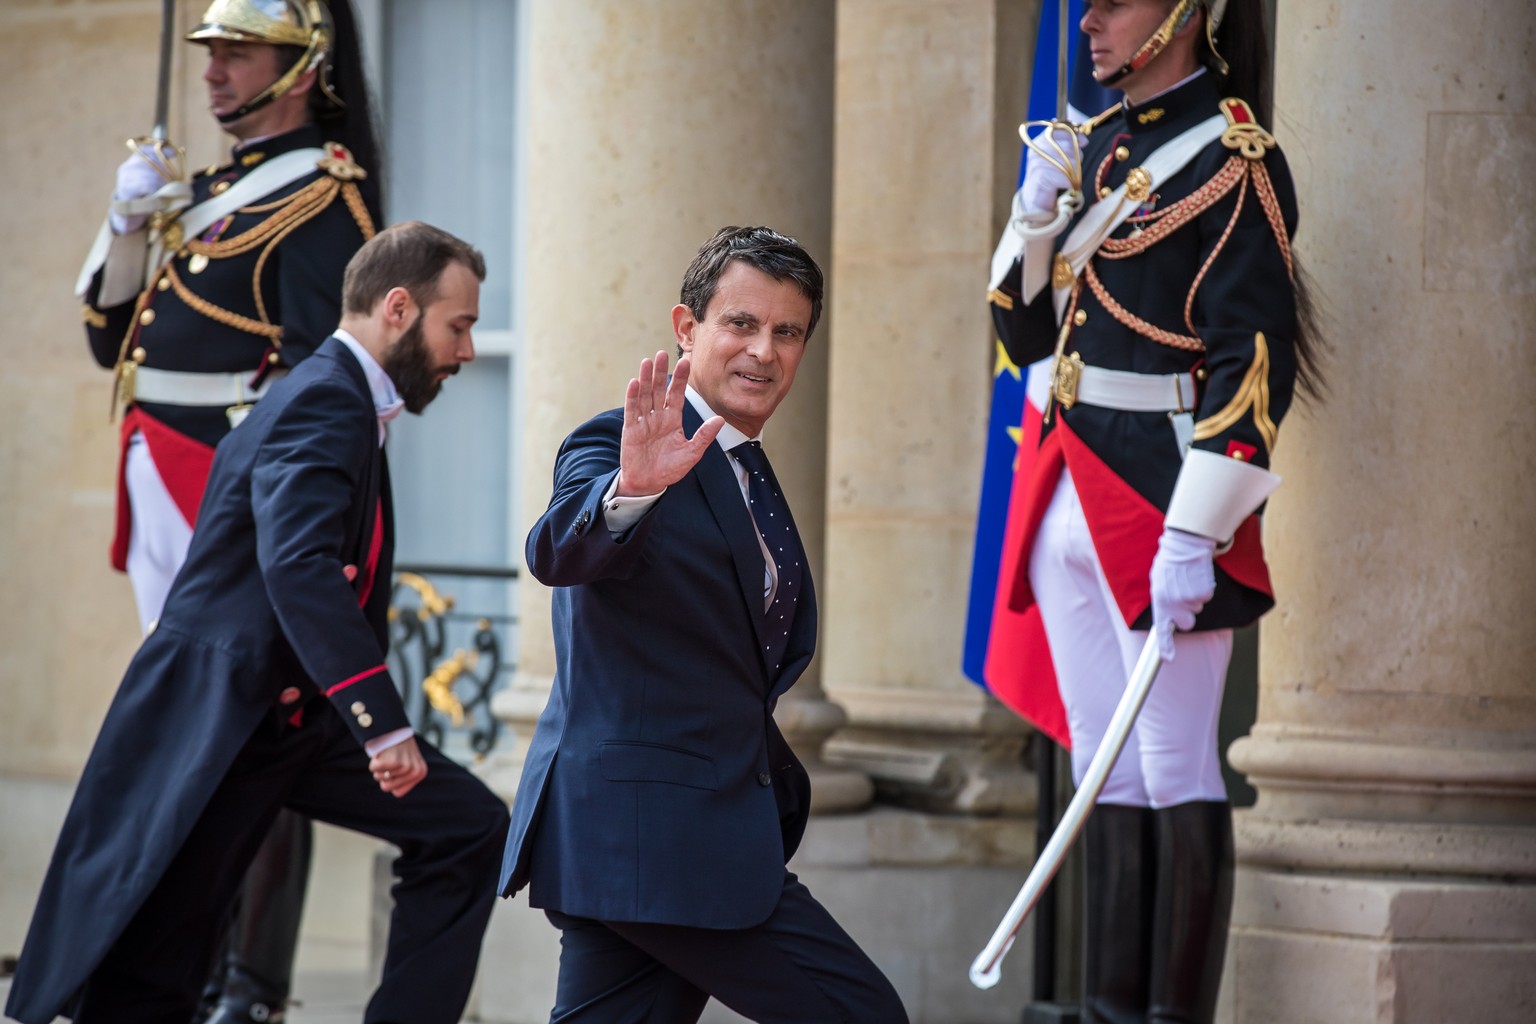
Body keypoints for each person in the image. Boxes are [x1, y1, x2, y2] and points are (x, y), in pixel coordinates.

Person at [6, 221, 510, 1024]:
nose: (468, 350)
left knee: (466, 827)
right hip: (227, 714)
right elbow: (300, 566)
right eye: (461, 324)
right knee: (156, 962)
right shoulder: (323, 399)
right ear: (399, 308)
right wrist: (382, 725)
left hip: (294, 717)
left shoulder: (344, 399)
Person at [986, 1, 1323, 1021]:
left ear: (1185, 13)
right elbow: (1022, 328)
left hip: (1161, 496)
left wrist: (1198, 527)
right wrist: (1036, 218)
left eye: (1114, 1)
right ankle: (1109, 1006)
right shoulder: (1093, 148)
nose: (1088, 21)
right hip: (1066, 480)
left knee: (1176, 760)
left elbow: (1252, 364)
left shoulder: (1235, 158)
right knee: (1100, 762)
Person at [499, 226, 908, 1024]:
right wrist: (632, 492)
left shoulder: (746, 465)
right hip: (657, 837)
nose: (764, 351)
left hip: (661, 846)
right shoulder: (619, 444)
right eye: (741, 324)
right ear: (687, 329)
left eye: (787, 332)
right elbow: (561, 548)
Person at [76, 1, 382, 1017]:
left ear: (297, 68)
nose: (213, 73)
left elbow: (319, 378)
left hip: (227, 487)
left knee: (247, 732)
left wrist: (266, 498)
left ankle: (249, 983)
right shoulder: (212, 191)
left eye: (237, 52)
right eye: (207, 51)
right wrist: (128, 223)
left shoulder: (321, 200)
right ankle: (191, 962)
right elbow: (108, 336)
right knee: (192, 734)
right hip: (160, 475)